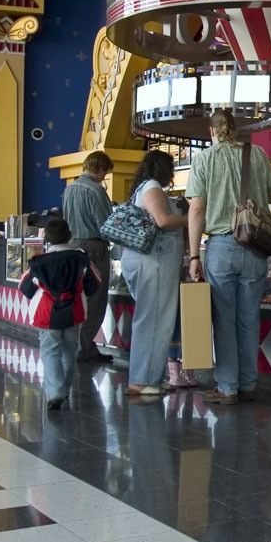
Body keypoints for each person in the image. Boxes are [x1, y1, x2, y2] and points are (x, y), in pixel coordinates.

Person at [186, 110, 271, 405]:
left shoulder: (204, 159)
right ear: (236, 130)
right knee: (249, 319)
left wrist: (193, 255)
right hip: (254, 246)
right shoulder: (256, 154)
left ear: (211, 131)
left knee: (224, 320)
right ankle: (248, 383)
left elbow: (198, 210)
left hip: (221, 246)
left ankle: (227, 387)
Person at [121, 150, 187, 396]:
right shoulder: (152, 187)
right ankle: (141, 380)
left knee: (154, 320)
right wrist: (191, 218)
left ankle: (150, 377)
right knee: (153, 321)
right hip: (154, 263)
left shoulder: (144, 187)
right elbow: (162, 220)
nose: (172, 174)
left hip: (150, 262)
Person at [20, 217, 101, 411]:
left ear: (45, 238)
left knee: (50, 351)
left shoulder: (38, 263)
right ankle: (64, 390)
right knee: (70, 351)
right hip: (74, 311)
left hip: (46, 314)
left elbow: (24, 286)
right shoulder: (81, 259)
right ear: (70, 235)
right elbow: (95, 282)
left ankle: (55, 392)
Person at [61, 150, 114, 363]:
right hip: (95, 248)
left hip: (72, 246)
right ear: (100, 168)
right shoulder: (96, 191)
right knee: (95, 301)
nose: (104, 178)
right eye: (105, 173)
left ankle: (82, 345)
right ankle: (83, 348)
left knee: (78, 299)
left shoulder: (70, 189)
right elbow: (107, 225)